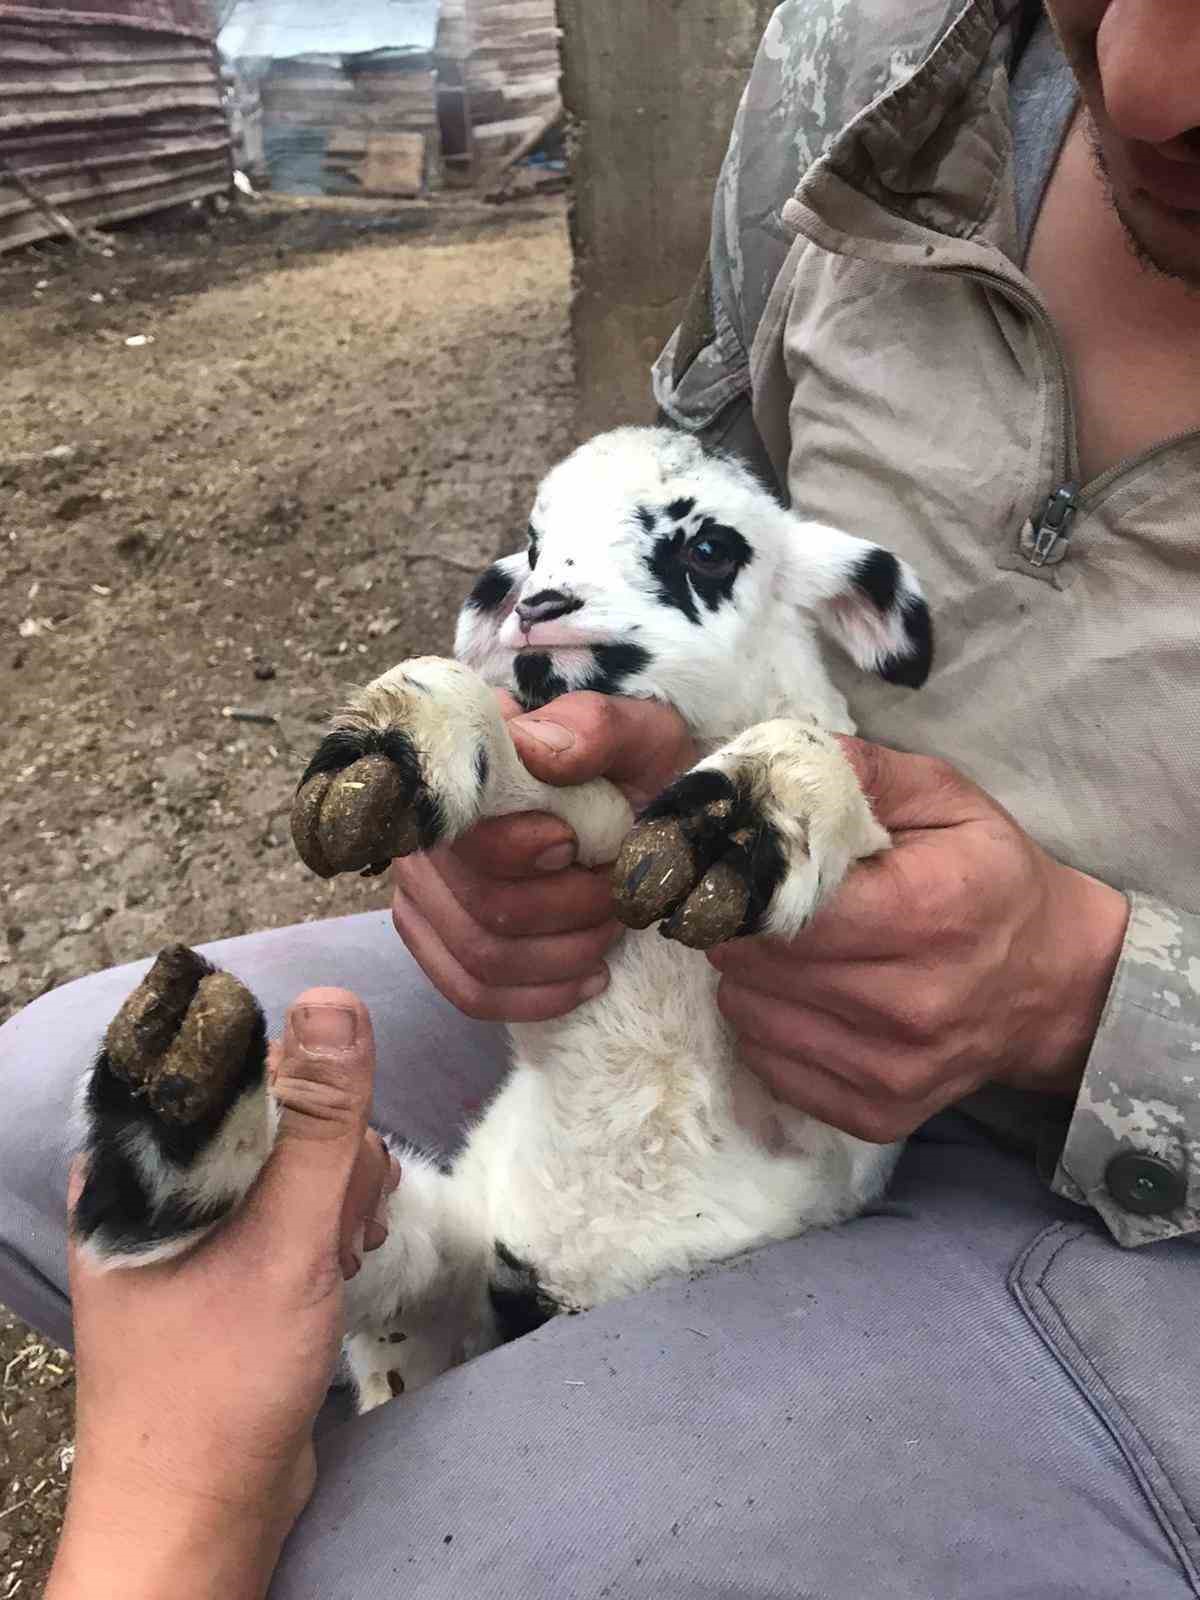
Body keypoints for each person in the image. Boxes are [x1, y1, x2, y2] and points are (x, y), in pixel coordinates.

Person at [7, 0, 1200, 1592]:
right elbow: (679, 510)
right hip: (692, 966)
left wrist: (1089, 1007)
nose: (1144, 79)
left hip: (1136, 1214)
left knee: (422, 1550)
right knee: (39, 1103)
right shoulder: (877, 59)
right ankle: (450, 1345)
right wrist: (499, 780)